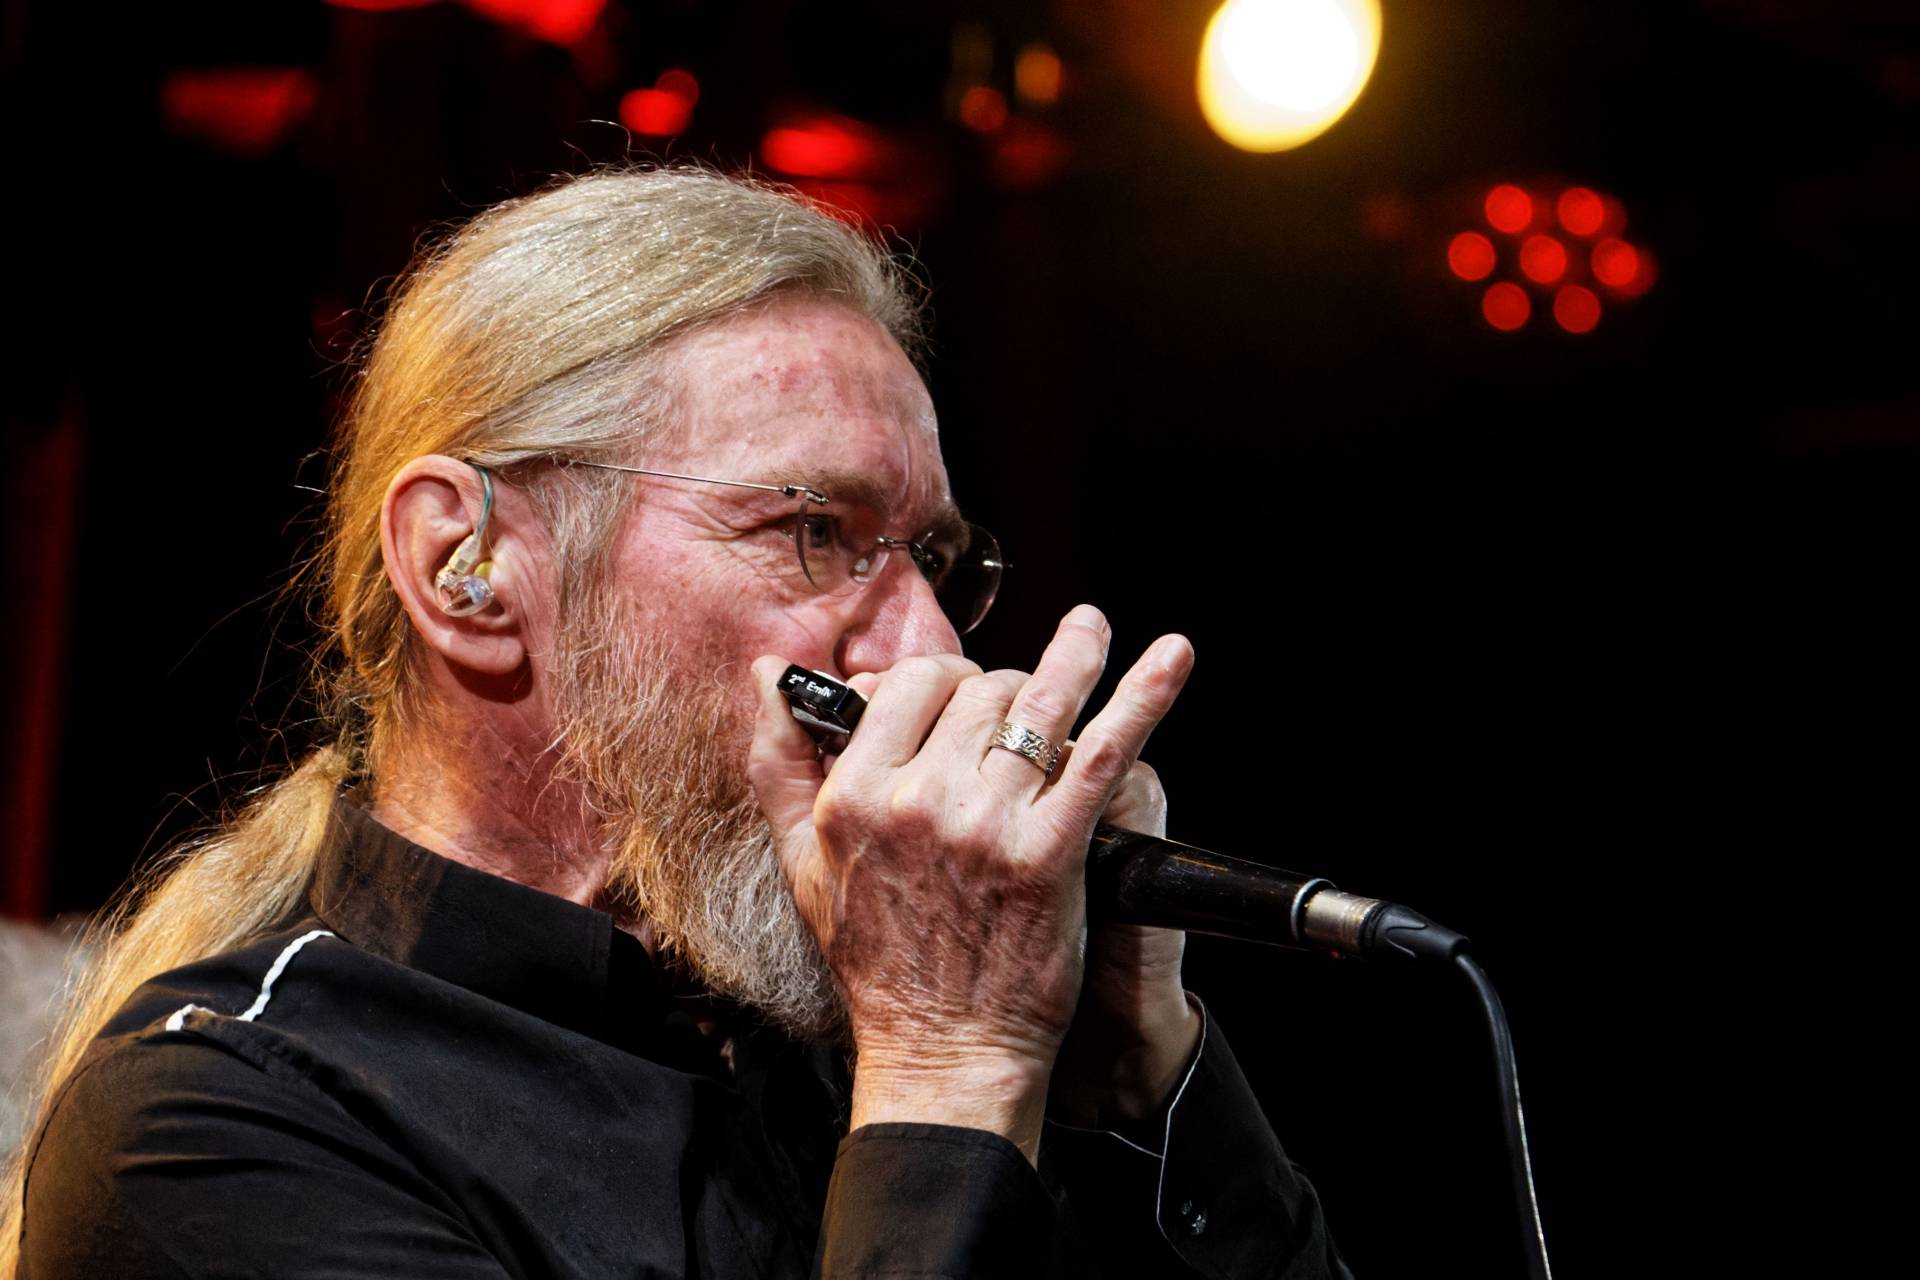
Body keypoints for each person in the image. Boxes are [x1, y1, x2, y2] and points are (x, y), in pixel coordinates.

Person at [6, 168, 1349, 1278]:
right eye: (811, 531)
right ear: (469, 570)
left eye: (932, 559)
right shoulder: (218, 1123)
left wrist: (1132, 1072)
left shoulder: (841, 1032)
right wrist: (948, 1070)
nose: (930, 649)